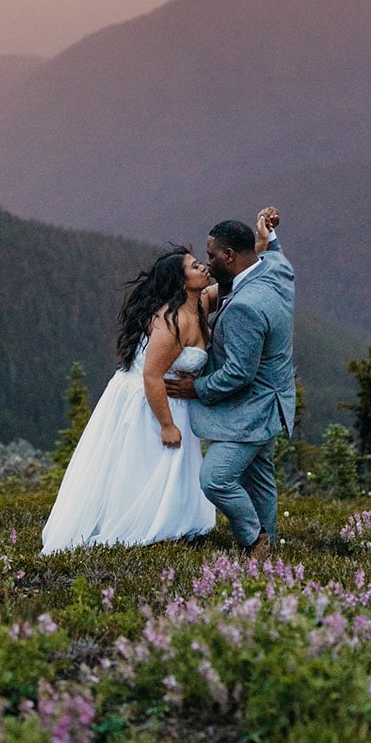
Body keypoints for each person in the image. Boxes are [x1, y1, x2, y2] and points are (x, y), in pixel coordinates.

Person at [40, 246, 216, 553]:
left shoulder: (197, 302)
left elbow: (232, 282)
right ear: (179, 281)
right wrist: (166, 425)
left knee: (171, 468)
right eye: (194, 266)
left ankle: (172, 525)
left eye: (201, 263)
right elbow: (151, 375)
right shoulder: (170, 321)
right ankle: (145, 527)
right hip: (148, 402)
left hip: (174, 401)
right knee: (145, 466)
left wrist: (265, 244)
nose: (203, 268)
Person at [165, 206, 295, 557]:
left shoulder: (244, 307)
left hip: (254, 410)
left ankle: (254, 540)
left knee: (216, 479)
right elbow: (275, 254)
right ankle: (270, 542)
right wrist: (268, 234)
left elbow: (239, 373)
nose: (208, 264)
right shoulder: (275, 270)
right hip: (277, 400)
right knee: (258, 476)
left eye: (211, 256)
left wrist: (196, 388)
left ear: (230, 256)